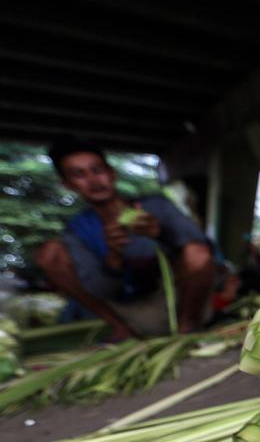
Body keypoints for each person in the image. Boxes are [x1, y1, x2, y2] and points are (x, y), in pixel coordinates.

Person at [36, 136, 215, 339]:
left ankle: (187, 331)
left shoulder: (156, 206)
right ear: (68, 185)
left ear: (112, 174)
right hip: (126, 311)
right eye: (79, 175)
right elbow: (103, 290)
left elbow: (206, 253)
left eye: (97, 170)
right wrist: (114, 257)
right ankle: (120, 329)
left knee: (195, 252)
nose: (94, 181)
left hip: (171, 304)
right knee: (49, 253)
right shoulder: (77, 231)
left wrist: (161, 234)